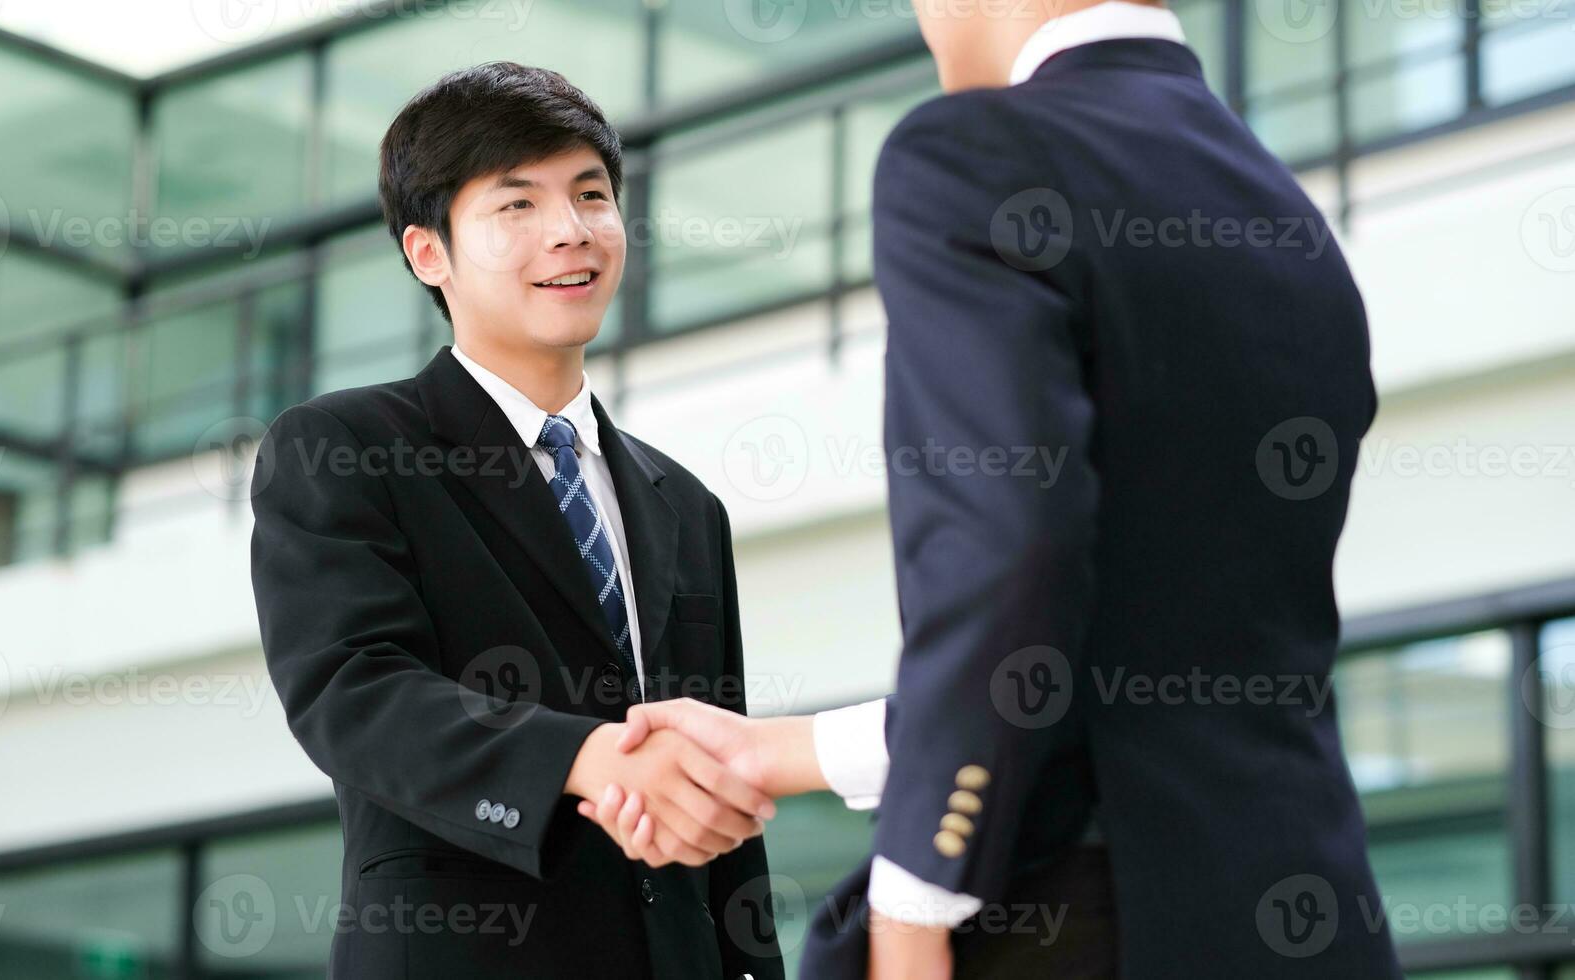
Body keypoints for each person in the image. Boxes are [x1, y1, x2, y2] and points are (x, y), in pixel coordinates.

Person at [582, 2, 1405, 977]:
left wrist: (916, 894)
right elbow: (1129, 657)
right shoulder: (1280, 205)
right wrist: (787, 750)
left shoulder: (973, 152)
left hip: (1072, 914)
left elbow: (1013, 545)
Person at [248, 62, 783, 979]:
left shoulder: (687, 506)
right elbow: (354, 693)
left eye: (591, 194)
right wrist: (588, 758)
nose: (570, 231)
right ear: (429, 253)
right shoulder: (345, 448)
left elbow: (718, 781)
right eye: (516, 205)